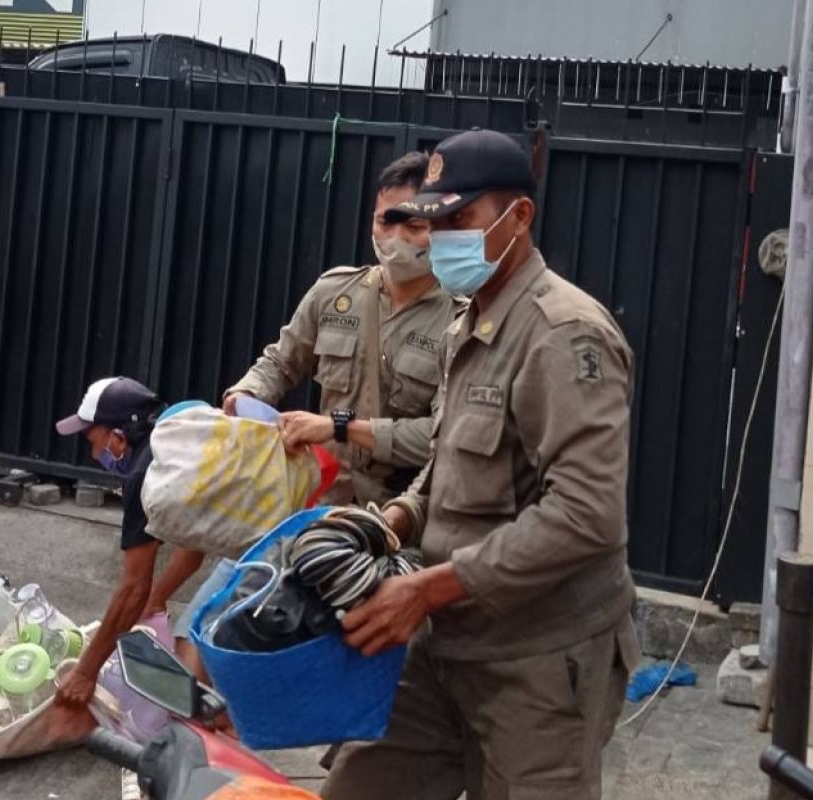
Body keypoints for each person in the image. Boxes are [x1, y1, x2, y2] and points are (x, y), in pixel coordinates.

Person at [321, 129, 639, 800]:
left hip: (541, 664)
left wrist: (428, 588)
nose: (438, 238)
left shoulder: (562, 333)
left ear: (517, 216)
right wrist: (396, 518)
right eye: (432, 221)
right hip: (447, 642)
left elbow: (587, 516)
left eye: (458, 220)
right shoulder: (470, 320)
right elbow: (450, 460)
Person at [223, 151, 462, 508]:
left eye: (414, 227)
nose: (395, 238)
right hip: (319, 500)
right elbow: (281, 361)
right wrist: (247, 395)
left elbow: (443, 435)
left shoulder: (459, 322)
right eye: (385, 222)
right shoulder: (335, 292)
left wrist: (339, 427)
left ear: (441, 229)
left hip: (399, 515)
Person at [51, 377, 210, 709]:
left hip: (271, 548)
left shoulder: (146, 472)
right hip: (277, 529)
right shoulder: (175, 442)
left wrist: (85, 672)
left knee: (192, 648)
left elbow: (133, 587)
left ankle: (200, 746)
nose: (94, 454)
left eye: (92, 441)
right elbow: (192, 549)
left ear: (119, 437)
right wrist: (156, 601)